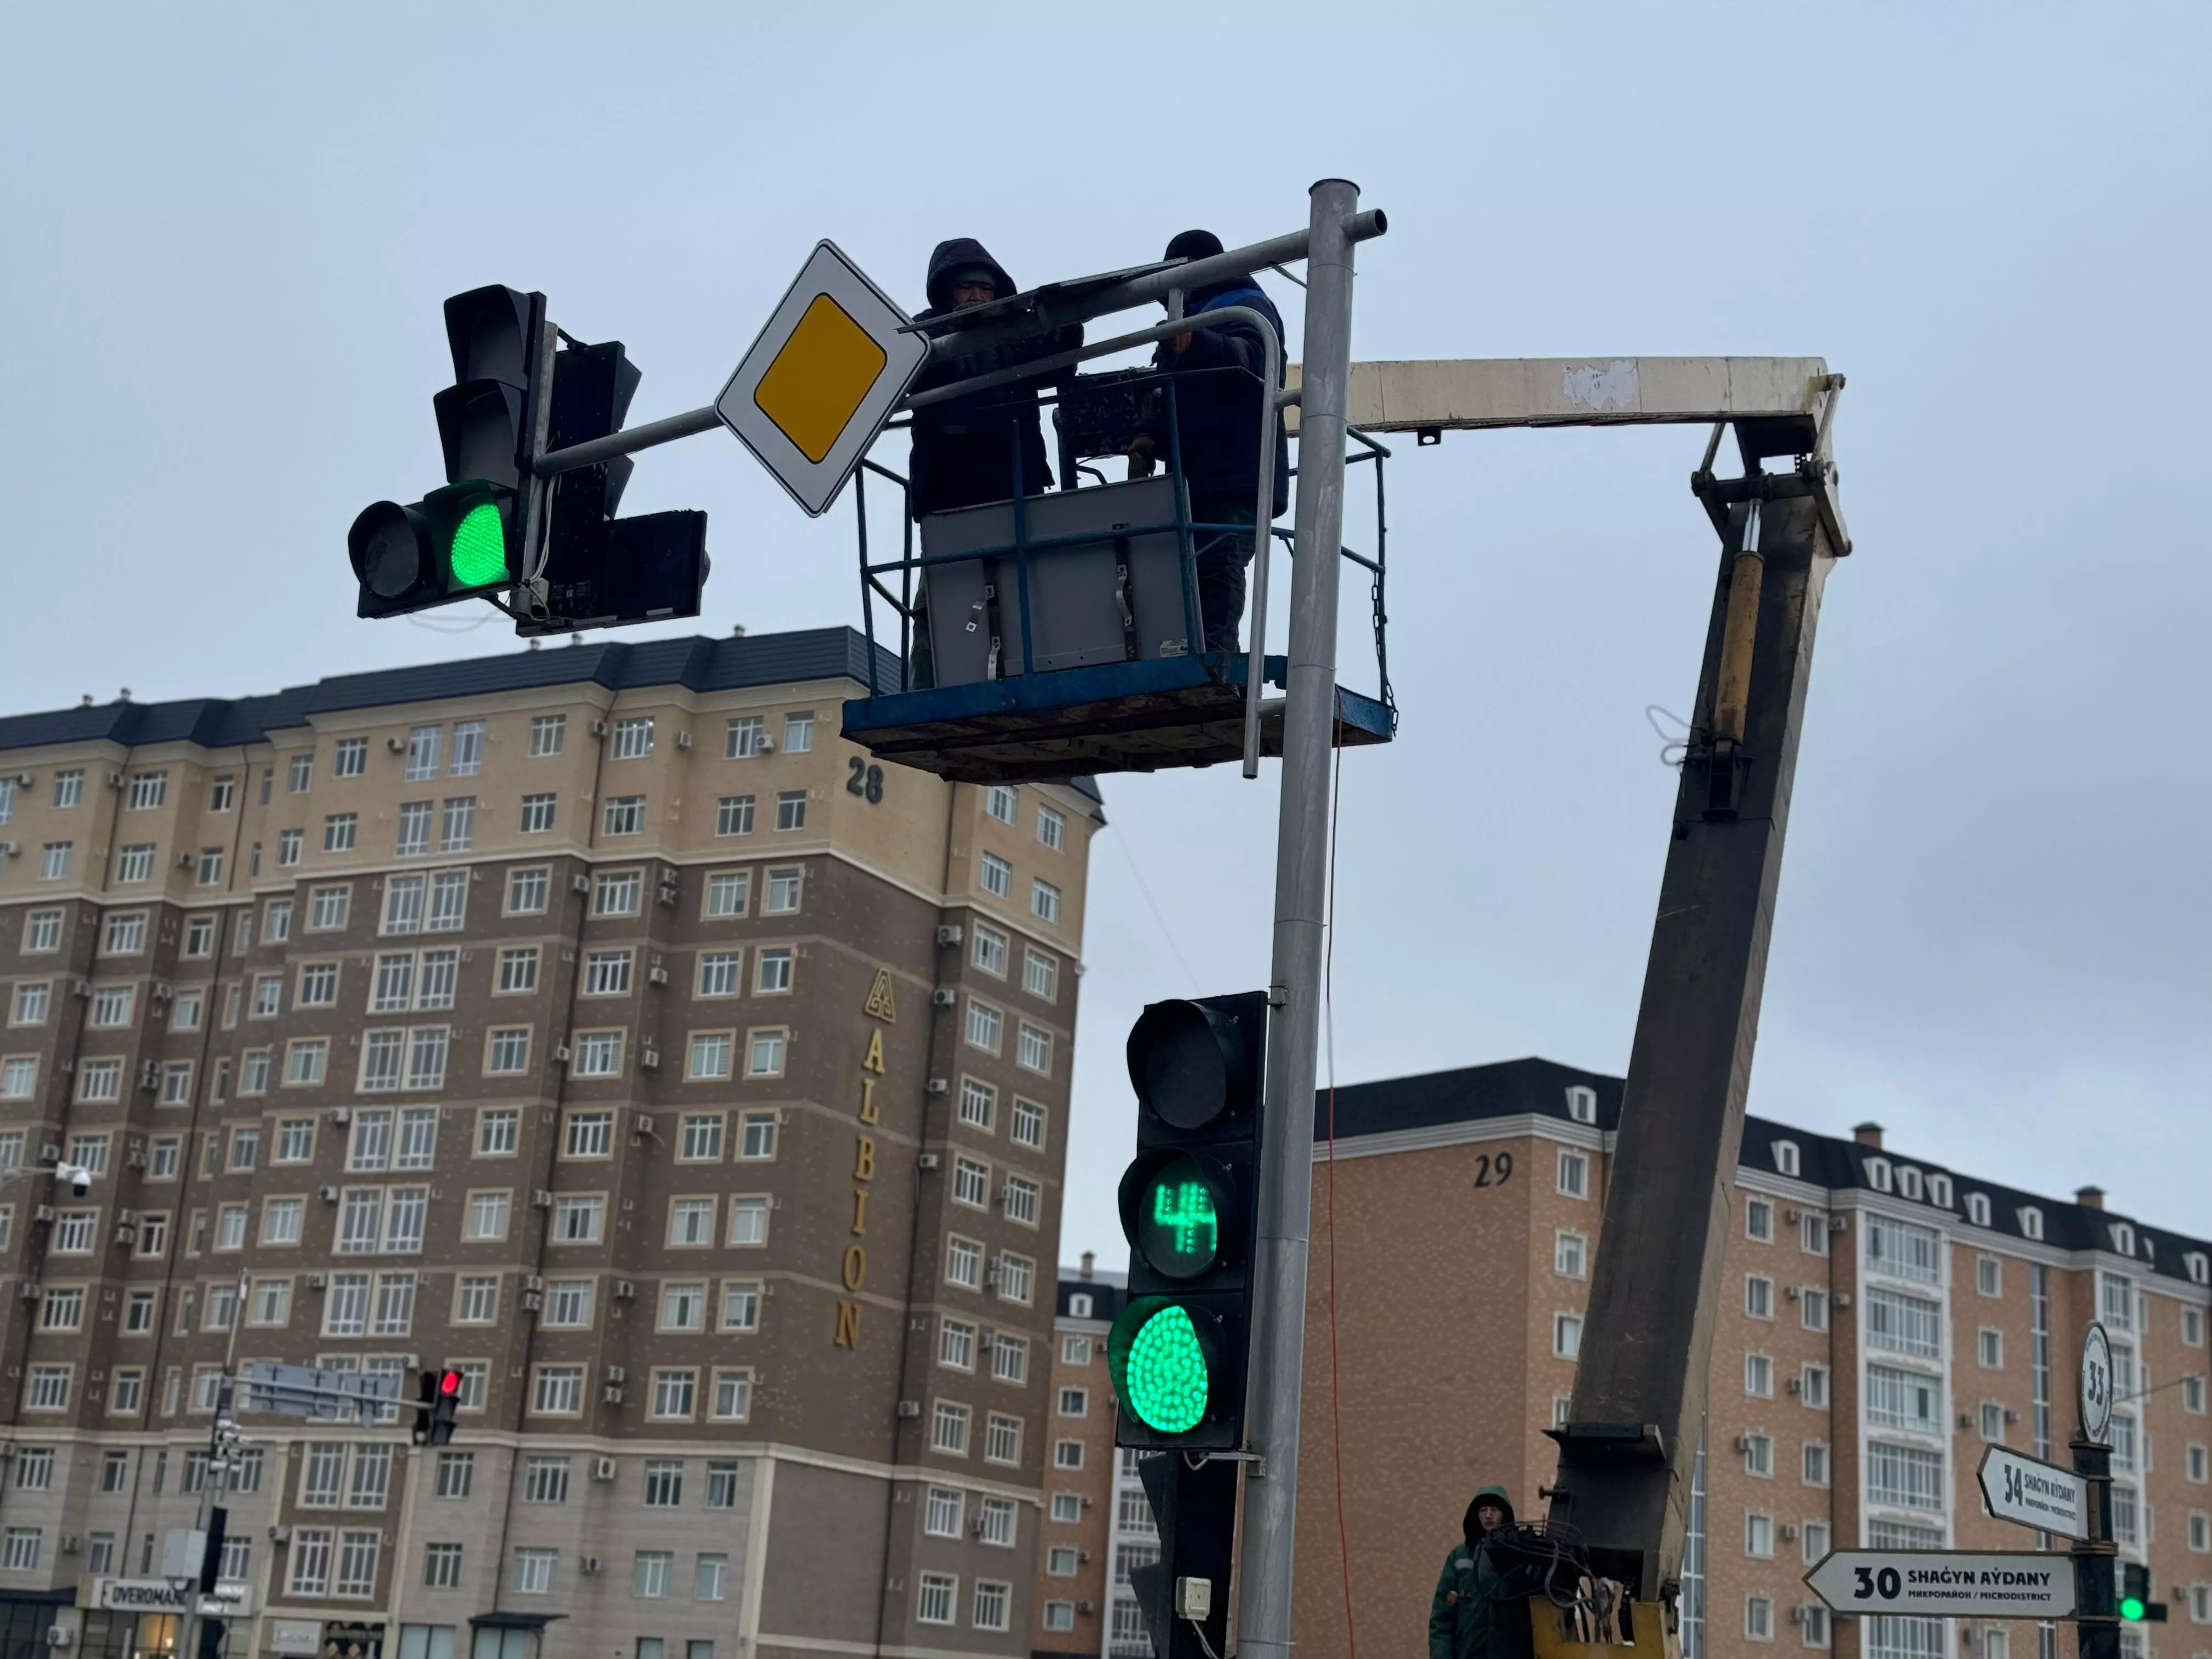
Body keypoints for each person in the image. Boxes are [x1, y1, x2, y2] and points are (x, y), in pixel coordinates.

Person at [1127, 228, 1290, 655]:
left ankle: (1216, 663)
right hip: (1199, 471)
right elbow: (1181, 393)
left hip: (1235, 473)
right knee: (1190, 572)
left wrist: (1196, 341)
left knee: (1218, 567)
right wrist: (1151, 434)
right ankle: (1194, 656)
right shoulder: (1195, 316)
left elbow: (1249, 360)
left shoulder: (1245, 307)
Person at [906, 239, 1064, 518]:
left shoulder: (1018, 332)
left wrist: (1066, 327)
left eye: (985, 289)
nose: (976, 296)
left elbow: (1055, 368)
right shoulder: (924, 335)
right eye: (966, 288)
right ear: (948, 294)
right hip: (949, 486)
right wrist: (957, 330)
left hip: (1017, 481)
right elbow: (914, 377)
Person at [1429, 1485, 1537, 1659]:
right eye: (1483, 1510)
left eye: (1494, 1510)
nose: (1488, 1515)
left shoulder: (1518, 1556)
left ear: (1504, 1515)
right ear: (1475, 1515)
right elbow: (1442, 1619)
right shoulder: (1459, 1557)